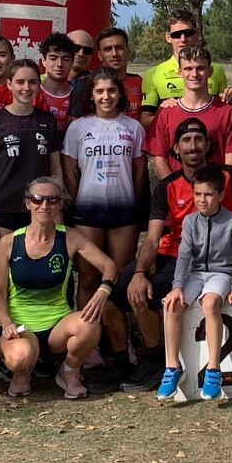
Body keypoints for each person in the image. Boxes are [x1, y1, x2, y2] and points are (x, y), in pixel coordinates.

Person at [124, 120, 232, 389]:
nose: (193, 146)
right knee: (134, 292)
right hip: (179, 262)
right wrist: (140, 272)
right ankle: (158, 361)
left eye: (198, 139)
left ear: (208, 145)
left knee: (210, 300)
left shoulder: (228, 177)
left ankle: (205, 366)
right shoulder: (167, 188)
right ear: (176, 149)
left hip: (219, 267)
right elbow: (154, 238)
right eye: (186, 141)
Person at [0, 176, 117, 400]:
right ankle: (22, 372)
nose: (44, 206)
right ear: (28, 202)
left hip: (58, 326)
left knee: (90, 325)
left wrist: (103, 291)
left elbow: (109, 265)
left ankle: (69, 370)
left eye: (52, 199)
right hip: (21, 326)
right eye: (38, 199)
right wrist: (6, 322)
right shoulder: (9, 242)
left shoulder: (70, 237)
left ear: (60, 204)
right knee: (19, 357)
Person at [63, 69, 147, 356]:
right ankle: (89, 340)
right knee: (87, 277)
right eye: (100, 91)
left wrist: (132, 202)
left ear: (120, 93)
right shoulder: (78, 128)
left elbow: (138, 171)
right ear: (92, 95)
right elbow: (69, 170)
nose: (106, 96)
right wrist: (74, 202)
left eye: (111, 91)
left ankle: (121, 340)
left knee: (119, 279)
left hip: (123, 212)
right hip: (87, 211)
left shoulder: (133, 127)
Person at [162, 168, 232, 402]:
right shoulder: (190, 221)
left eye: (208, 195)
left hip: (222, 274)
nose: (202, 200)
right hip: (196, 274)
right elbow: (183, 255)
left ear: (221, 195)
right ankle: (173, 366)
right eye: (197, 194)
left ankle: (213, 369)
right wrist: (177, 285)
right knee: (172, 305)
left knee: (210, 303)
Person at [0, 59, 60, 246]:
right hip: (6, 209)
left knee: (40, 270)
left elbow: (56, 170)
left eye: (32, 82)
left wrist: (58, 211)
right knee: (4, 270)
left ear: (39, 85)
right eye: (20, 82)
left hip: (42, 206)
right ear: (9, 84)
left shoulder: (47, 120)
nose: (26, 87)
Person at [146, 45, 232, 175]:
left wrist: (213, 192)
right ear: (179, 72)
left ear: (210, 71)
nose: (194, 74)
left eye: (200, 68)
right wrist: (176, 192)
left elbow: (231, 164)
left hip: (216, 192)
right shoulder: (165, 114)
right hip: (177, 194)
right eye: (188, 68)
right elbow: (159, 161)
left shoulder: (228, 113)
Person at [139, 12, 227, 110]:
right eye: (176, 35)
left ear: (196, 34)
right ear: (168, 37)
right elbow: (146, 119)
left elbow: (223, 109)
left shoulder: (217, 70)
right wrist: (163, 112)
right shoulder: (152, 74)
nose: (183, 39)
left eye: (188, 33)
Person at [90, 27, 146, 114]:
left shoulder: (140, 83)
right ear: (100, 55)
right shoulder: (89, 85)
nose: (114, 54)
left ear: (128, 51)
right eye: (108, 49)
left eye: (119, 48)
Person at [37, 32, 81, 136]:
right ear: (44, 61)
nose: (59, 64)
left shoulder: (79, 95)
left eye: (65, 59)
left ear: (72, 61)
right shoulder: (32, 92)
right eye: (53, 58)